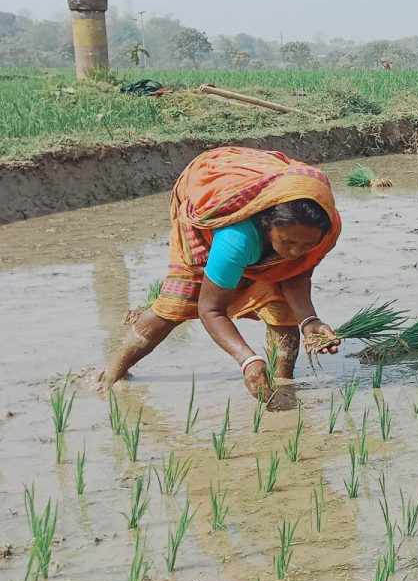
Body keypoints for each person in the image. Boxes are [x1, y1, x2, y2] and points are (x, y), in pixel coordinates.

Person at [102, 147, 342, 399]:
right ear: (267, 223)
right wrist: (247, 359)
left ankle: (281, 390)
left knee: (282, 310)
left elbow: (296, 273)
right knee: (177, 303)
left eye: (307, 245)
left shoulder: (324, 229)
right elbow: (211, 309)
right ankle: (109, 375)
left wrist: (309, 321)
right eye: (288, 242)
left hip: (271, 196)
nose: (296, 252)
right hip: (207, 194)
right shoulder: (235, 239)